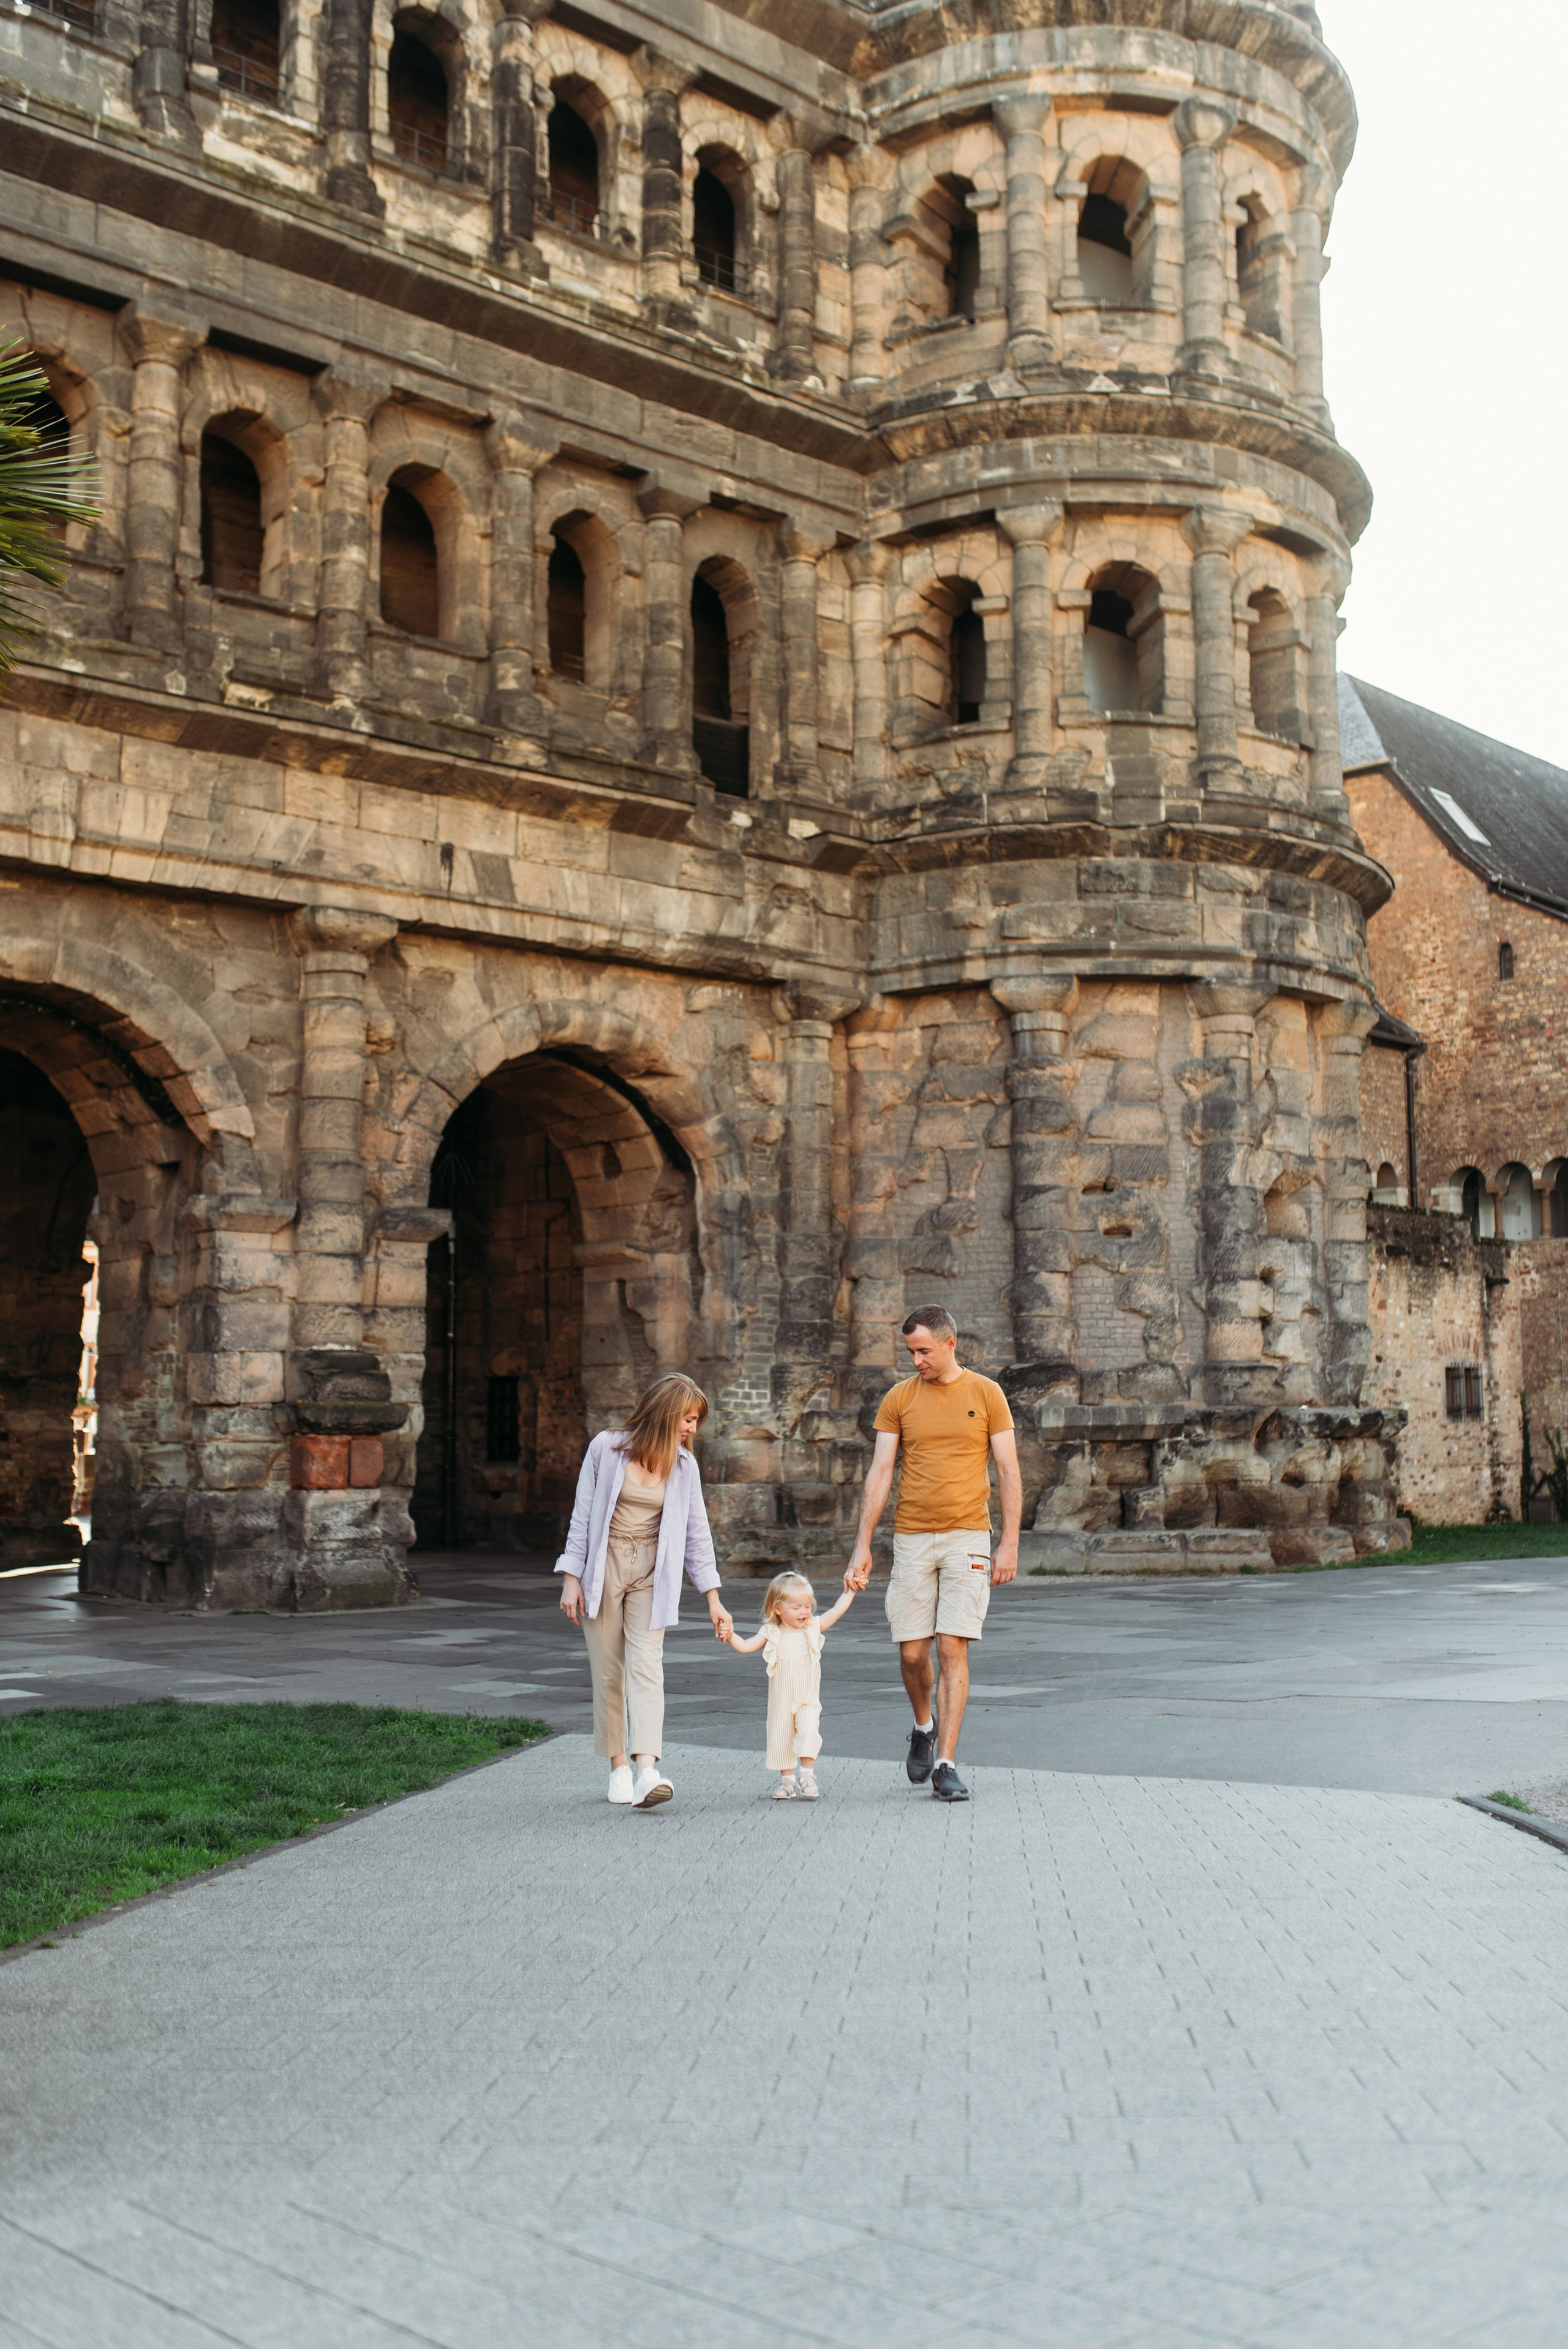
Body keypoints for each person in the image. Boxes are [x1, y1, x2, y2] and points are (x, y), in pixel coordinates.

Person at [843, 1307, 1021, 1802]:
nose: (917, 1360)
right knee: (912, 1652)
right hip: (913, 1537)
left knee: (952, 1647)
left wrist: (1009, 1542)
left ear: (950, 1344)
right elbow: (881, 1471)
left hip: (969, 1536)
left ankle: (946, 1762)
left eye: (924, 1351)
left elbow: (1008, 1470)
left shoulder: (987, 1393)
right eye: (911, 1352)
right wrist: (862, 1545)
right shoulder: (899, 1398)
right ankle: (924, 1725)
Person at [557, 1372, 732, 1809]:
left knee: (648, 1667)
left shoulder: (685, 1466)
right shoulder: (607, 1448)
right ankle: (618, 1767)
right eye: (688, 1418)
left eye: (696, 1420)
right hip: (605, 1566)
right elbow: (582, 1515)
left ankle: (647, 1770)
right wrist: (571, 1576)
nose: (693, 1428)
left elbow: (697, 1534)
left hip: (653, 1571)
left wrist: (713, 1598)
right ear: (665, 1413)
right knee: (609, 1671)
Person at [723, 1570, 856, 1800]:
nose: (804, 1612)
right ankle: (787, 1780)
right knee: (782, 1736)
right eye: (796, 1607)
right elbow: (745, 1646)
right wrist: (730, 1634)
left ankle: (807, 1775)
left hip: (807, 1699)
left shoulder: (811, 1628)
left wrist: (851, 1591)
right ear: (778, 1609)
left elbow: (836, 1611)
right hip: (781, 1702)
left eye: (808, 1606)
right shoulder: (771, 1633)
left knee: (808, 1730)